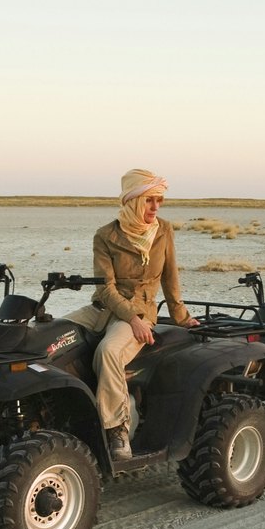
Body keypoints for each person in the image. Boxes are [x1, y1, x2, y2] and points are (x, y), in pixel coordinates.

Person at [65, 169, 196, 462]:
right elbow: (106, 288)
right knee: (50, 334)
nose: (156, 207)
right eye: (150, 200)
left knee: (109, 351)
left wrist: (180, 316)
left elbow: (170, 277)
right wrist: (130, 318)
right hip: (103, 307)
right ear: (134, 201)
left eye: (159, 201)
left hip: (141, 310)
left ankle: (116, 429)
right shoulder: (106, 235)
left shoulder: (163, 230)